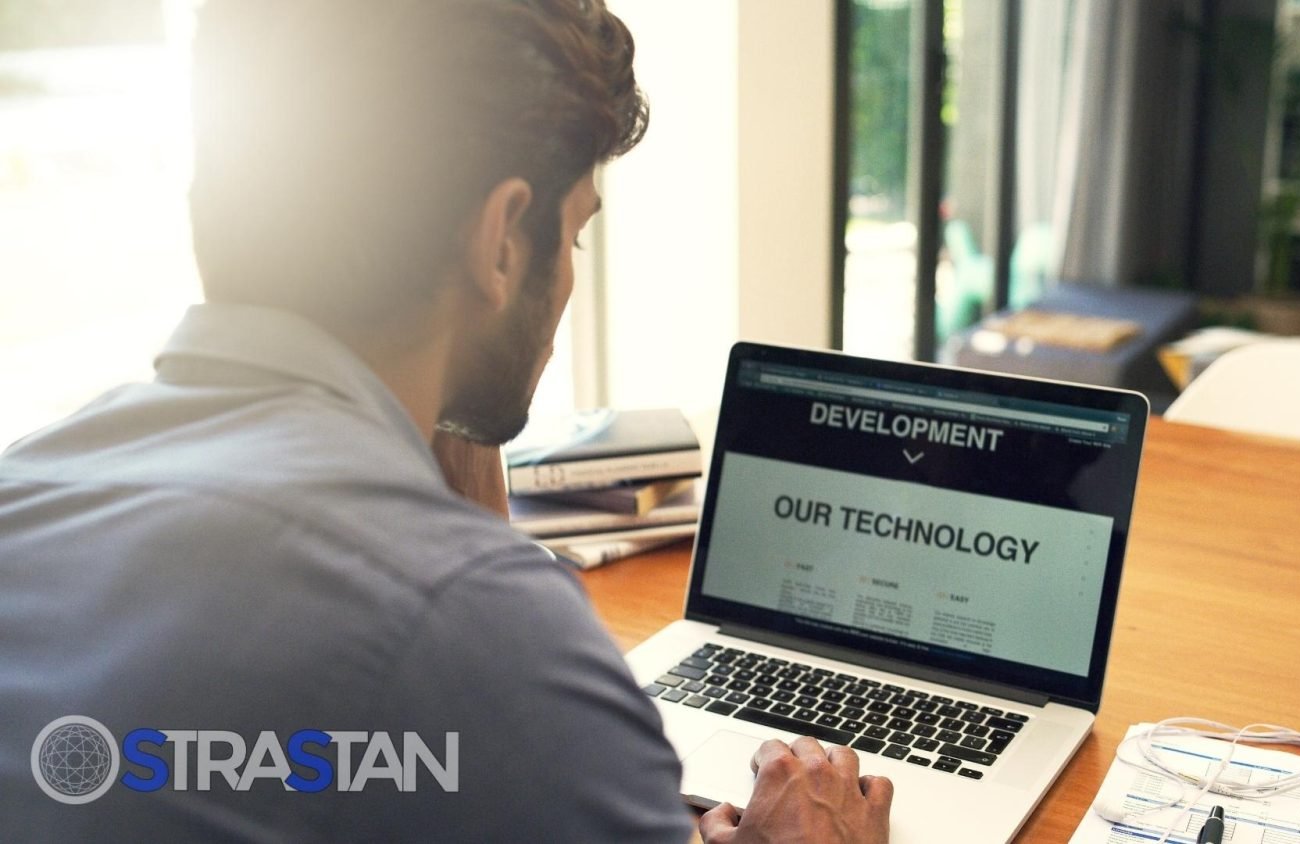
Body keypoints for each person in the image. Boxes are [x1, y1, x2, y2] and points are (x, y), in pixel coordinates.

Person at [0, 1, 892, 841]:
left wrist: (443, 424)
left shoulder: (28, 491)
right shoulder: (484, 637)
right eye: (573, 235)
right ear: (503, 239)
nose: (570, 275)